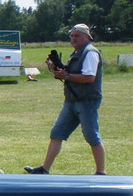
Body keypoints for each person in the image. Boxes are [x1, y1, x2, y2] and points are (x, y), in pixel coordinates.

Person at [24, 23, 106, 175]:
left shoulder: (90, 53)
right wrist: (56, 68)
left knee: (92, 136)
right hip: (72, 101)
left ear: (87, 37)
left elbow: (89, 77)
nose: (73, 39)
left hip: (86, 101)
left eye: (77, 36)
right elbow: (70, 74)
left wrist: (66, 75)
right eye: (72, 36)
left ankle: (101, 172)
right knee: (57, 133)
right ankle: (44, 169)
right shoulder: (77, 53)